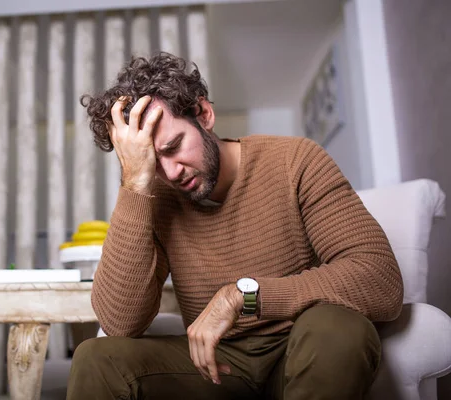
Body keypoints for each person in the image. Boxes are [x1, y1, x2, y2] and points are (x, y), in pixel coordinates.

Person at [67, 52, 403, 400]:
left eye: (174, 147)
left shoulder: (294, 162)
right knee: (96, 358)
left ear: (204, 114)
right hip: (213, 366)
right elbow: (120, 323)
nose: (170, 173)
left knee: (340, 327)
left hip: (303, 347)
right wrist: (135, 183)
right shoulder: (157, 195)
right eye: (153, 162)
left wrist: (241, 297)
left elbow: (380, 280)